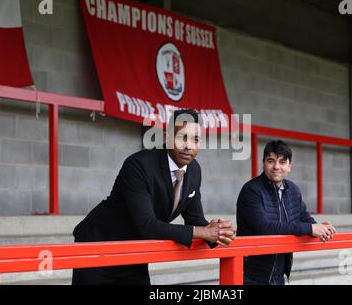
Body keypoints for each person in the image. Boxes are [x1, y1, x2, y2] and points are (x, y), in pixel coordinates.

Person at [72, 109, 236, 285]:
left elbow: (194, 218)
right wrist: (201, 232)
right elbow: (147, 225)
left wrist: (218, 232)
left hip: (135, 251)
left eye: (195, 139)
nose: (188, 146)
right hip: (99, 245)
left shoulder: (194, 170)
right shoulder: (138, 165)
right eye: (182, 137)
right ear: (167, 138)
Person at [236, 140, 336, 285]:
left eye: (282, 162)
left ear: (289, 166)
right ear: (263, 163)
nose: (276, 167)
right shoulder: (251, 190)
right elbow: (264, 227)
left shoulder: (293, 190)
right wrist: (311, 228)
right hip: (252, 276)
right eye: (271, 161)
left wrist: (320, 226)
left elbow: (303, 216)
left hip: (279, 275)